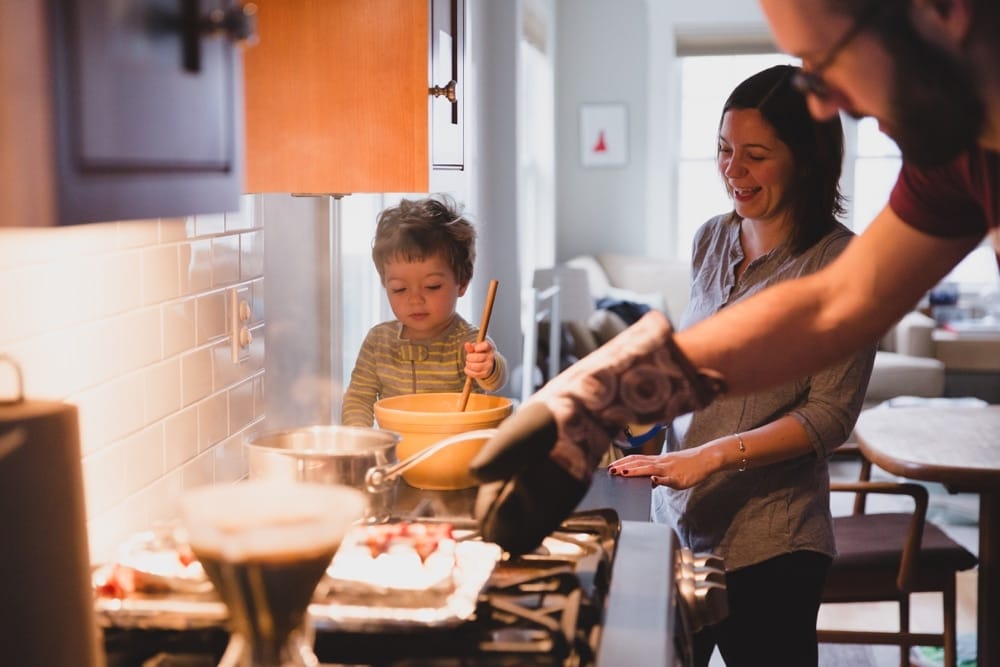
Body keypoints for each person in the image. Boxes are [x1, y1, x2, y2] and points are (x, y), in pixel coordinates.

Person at [468, 0, 999, 558]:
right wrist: (604, 396)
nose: (828, 105)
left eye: (824, 63)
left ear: (944, 10)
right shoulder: (959, 156)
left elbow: (830, 342)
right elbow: (834, 303)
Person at [608, 65, 876, 666]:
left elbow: (830, 415)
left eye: (755, 155)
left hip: (771, 543)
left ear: (806, 159)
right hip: (678, 528)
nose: (732, 170)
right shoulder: (712, 238)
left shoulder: (839, 265)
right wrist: (640, 413)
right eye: (724, 150)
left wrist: (712, 456)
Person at [341, 195, 508, 427]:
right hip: (398, 454)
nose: (415, 299)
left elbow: (495, 379)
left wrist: (487, 366)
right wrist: (360, 440)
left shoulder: (468, 341)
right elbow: (358, 398)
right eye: (399, 289)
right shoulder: (378, 342)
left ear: (461, 282)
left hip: (456, 451)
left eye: (432, 286)